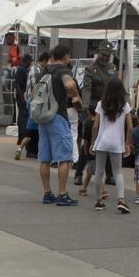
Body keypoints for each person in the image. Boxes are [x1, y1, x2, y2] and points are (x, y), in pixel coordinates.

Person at [34, 42, 81, 206]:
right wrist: (75, 95)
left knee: (45, 158)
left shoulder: (43, 71)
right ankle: (62, 193)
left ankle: (47, 193)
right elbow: (69, 84)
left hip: (43, 117)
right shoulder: (63, 70)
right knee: (65, 157)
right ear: (66, 56)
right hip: (58, 116)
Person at [90, 77, 132, 214]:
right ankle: (121, 200)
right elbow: (131, 128)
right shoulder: (125, 106)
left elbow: (95, 126)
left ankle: (99, 201)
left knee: (99, 172)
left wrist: (93, 142)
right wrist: (127, 144)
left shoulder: (101, 104)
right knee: (118, 172)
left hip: (102, 141)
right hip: (117, 143)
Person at [81, 42, 115, 114]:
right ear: (98, 52)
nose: (105, 58)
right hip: (95, 106)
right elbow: (86, 88)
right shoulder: (90, 69)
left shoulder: (112, 67)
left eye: (107, 56)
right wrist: (85, 106)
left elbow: (117, 86)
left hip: (110, 105)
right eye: (103, 54)